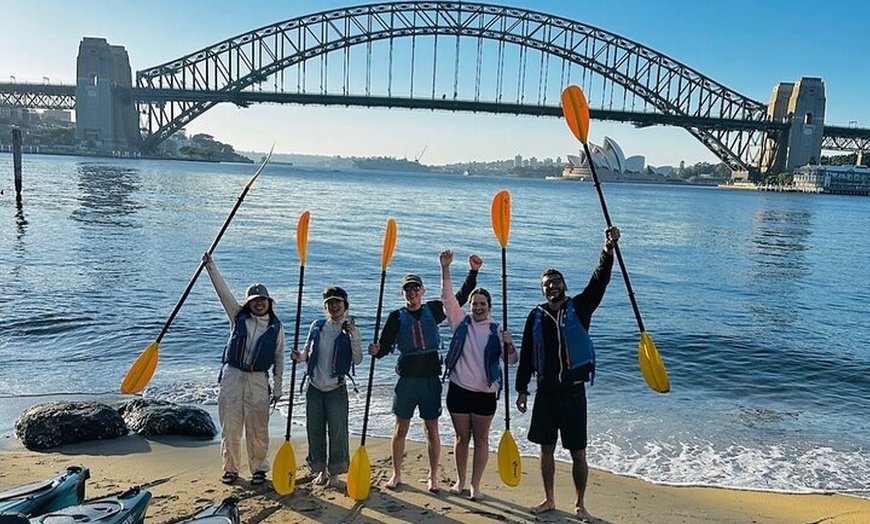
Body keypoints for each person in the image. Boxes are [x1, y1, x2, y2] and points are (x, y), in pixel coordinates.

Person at [514, 225, 620, 521]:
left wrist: (607, 249)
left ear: (564, 285)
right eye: (547, 284)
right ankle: (549, 499)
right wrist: (521, 389)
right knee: (545, 450)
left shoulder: (580, 308)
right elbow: (525, 358)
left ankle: (580, 504)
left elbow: (599, 281)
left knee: (578, 452)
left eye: (556, 282)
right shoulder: (535, 316)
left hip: (574, 392)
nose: (552, 287)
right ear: (543, 289)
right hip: (546, 391)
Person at [369, 254, 482, 493]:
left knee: (432, 429)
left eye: (415, 288)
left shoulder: (434, 309)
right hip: (407, 382)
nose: (411, 292)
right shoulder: (396, 317)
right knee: (401, 429)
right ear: (403, 294)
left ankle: (433, 477)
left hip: (430, 381)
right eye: (407, 289)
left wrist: (471, 271)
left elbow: (460, 297)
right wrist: (376, 351)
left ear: (422, 290)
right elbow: (385, 347)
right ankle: (397, 474)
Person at [439, 250, 517, 501]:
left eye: (483, 304)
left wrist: (510, 345)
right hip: (459, 390)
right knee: (462, 439)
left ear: (489, 307)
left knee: (481, 440)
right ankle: (460, 481)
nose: (479, 307)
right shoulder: (460, 321)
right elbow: (448, 298)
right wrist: (446, 268)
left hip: (485, 393)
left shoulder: (497, 330)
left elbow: (511, 361)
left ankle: (476, 485)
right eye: (475, 303)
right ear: (470, 306)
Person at [203, 252, 285, 486]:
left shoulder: (276, 328)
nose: (259, 303)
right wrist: (211, 266)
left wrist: (277, 389)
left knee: (258, 427)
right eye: (254, 300)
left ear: (269, 302)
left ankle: (259, 469)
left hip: (258, 379)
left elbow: (279, 359)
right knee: (231, 426)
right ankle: (230, 469)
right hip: (233, 376)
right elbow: (223, 293)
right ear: (248, 303)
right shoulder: (237, 316)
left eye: (263, 300)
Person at [291, 286, 363, 488]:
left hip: (336, 389)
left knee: (337, 431)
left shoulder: (351, 330)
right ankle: (320, 470)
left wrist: (354, 335)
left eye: (337, 302)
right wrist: (298, 357)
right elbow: (306, 353)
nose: (333, 306)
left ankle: (335, 474)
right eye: (330, 302)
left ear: (345, 305)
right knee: (314, 430)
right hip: (314, 388)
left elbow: (357, 359)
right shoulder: (317, 325)